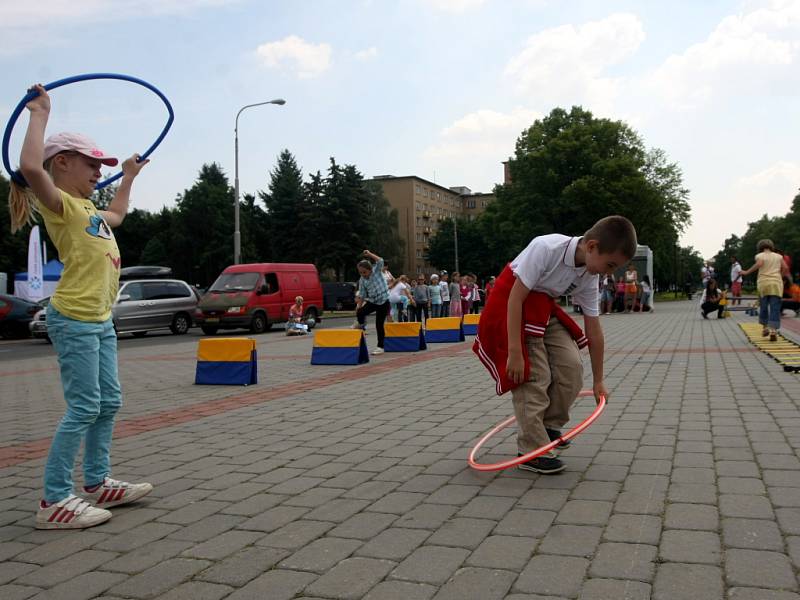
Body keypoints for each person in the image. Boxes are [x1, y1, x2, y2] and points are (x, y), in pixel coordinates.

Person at [8, 84, 152, 529]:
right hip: (74, 318)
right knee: (85, 406)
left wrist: (126, 176)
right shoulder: (61, 204)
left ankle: (96, 482)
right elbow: (30, 165)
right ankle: (54, 500)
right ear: (63, 163)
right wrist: (39, 113)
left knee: (109, 402)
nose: (97, 171)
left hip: (100, 319)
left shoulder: (90, 211)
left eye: (101, 166)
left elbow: (120, 215)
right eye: (93, 164)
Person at [474, 215, 637, 474]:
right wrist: (515, 352)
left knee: (571, 368)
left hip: (542, 310)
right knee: (534, 377)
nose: (610, 273)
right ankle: (530, 449)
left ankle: (547, 428)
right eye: (610, 264)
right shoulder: (546, 248)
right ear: (592, 246)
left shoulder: (589, 276)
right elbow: (514, 299)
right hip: (510, 307)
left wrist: (598, 380)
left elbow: (594, 329)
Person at [740, 240, 791, 341]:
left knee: (764, 306)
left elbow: (759, 264)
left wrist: (746, 272)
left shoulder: (760, 255)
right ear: (771, 246)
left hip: (763, 283)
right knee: (775, 307)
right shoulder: (779, 256)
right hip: (776, 284)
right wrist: (779, 276)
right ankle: (773, 330)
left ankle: (765, 328)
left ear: (760, 247)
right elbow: (785, 268)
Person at [355, 249, 391, 354]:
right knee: (360, 312)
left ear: (370, 270)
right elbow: (362, 294)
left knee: (379, 324)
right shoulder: (362, 280)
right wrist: (359, 306)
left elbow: (380, 261)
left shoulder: (376, 271)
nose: (363, 274)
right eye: (360, 273)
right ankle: (361, 325)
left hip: (384, 302)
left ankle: (380, 347)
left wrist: (369, 254)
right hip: (373, 302)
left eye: (365, 272)